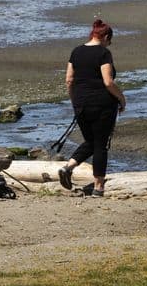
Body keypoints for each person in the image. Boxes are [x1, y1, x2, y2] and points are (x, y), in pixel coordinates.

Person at [58, 19, 126, 197]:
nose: (109, 43)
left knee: (91, 141)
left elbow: (69, 80)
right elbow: (108, 81)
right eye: (109, 39)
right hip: (102, 103)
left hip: (81, 103)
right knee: (101, 145)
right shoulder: (103, 53)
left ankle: (68, 167)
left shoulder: (76, 51)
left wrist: (75, 101)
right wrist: (122, 98)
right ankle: (98, 186)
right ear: (105, 37)